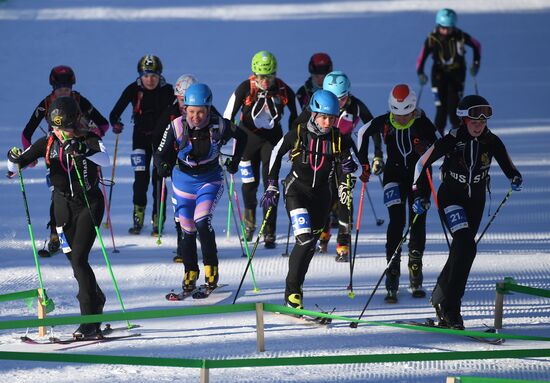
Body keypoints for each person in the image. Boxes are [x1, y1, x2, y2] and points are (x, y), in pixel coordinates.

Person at [412, 95, 522, 329]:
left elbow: (508, 164)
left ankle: (440, 298)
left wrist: (515, 176)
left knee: (464, 250)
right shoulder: (453, 139)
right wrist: (419, 194)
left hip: (476, 202)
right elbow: (422, 163)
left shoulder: (491, 141)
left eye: (482, 122)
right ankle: (452, 310)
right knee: (465, 243)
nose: (478, 125)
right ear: (463, 119)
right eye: (473, 121)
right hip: (451, 198)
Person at [8, 97, 110, 338]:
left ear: (75, 121)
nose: (60, 132)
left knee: (79, 259)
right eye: (55, 127)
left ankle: (90, 320)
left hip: (89, 203)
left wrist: (83, 150)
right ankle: (97, 296)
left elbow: (104, 159)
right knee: (70, 256)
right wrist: (13, 160)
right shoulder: (48, 142)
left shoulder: (89, 138)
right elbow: (18, 165)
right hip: (62, 206)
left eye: (64, 127)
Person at [261, 89, 357, 309]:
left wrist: (348, 171)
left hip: (322, 197)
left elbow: (349, 166)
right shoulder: (299, 132)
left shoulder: (338, 138)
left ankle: (298, 289)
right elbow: (276, 153)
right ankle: (291, 293)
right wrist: (271, 185)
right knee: (304, 239)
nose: (327, 122)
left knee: (310, 245)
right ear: (313, 114)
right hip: (296, 191)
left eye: (332, 118)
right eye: (323, 117)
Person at [154, 83, 247, 292]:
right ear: (185, 109)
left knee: (202, 221)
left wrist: (235, 161)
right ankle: (190, 270)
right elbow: (159, 153)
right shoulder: (176, 126)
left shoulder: (219, 125)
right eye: (191, 111)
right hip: (183, 180)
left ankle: (211, 268)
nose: (195, 117)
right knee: (187, 227)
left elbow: (242, 137)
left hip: (210, 179)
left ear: (208, 109)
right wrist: (163, 166)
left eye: (201, 112)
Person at [357, 84, 438, 303]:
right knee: (396, 221)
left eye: (406, 114)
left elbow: (441, 144)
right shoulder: (385, 121)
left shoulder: (422, 123)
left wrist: (428, 150)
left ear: (413, 109)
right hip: (393, 177)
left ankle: (415, 267)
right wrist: (364, 162)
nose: (401, 119)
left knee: (417, 221)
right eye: (397, 114)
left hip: (420, 179)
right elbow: (363, 132)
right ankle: (392, 274)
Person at [22, 65, 109, 255]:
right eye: (60, 88)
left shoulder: (78, 100)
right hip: (54, 153)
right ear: (53, 88)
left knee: (80, 189)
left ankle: (76, 235)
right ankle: (55, 234)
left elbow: (103, 123)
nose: (64, 92)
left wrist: (92, 137)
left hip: (79, 154)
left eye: (67, 88)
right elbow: (27, 132)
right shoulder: (46, 103)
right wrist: (29, 155)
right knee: (58, 192)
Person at [293, 70, 378, 262]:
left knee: (345, 198)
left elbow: (373, 128)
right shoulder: (319, 102)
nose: (338, 103)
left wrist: (376, 156)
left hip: (345, 154)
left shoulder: (355, 105)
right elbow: (297, 126)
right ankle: (322, 233)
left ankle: (343, 242)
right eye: (334, 98)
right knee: (324, 197)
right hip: (323, 155)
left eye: (343, 98)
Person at [223, 50, 300, 248]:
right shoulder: (246, 87)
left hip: (272, 141)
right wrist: (226, 136)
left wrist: (295, 140)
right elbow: (228, 115)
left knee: (270, 186)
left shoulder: (282, 89)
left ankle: (269, 231)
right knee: (249, 185)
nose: (266, 81)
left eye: (270, 76)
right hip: (246, 141)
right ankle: (249, 225)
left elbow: (296, 116)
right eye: (261, 77)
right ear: (254, 74)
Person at [109, 55, 175, 235]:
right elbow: (115, 112)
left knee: (159, 179)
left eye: (154, 75)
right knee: (140, 180)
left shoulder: (168, 90)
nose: (150, 80)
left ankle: (157, 219)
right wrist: (116, 123)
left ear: (160, 75)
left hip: (163, 140)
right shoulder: (133, 89)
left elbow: (179, 110)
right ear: (140, 75)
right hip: (140, 138)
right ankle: (138, 217)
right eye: (146, 75)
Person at [416, 8, 481, 136]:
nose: (445, 31)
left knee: (454, 109)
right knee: (440, 109)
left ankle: (457, 139)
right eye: (443, 27)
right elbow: (421, 57)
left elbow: (477, 45)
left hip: (457, 74)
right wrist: (420, 73)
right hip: (438, 74)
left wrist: (475, 64)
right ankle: (436, 140)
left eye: (449, 28)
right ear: (438, 25)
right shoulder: (432, 38)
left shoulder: (460, 36)